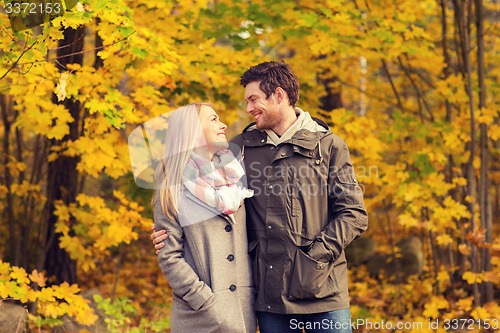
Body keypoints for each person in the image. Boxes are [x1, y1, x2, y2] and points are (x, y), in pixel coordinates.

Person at [152, 62, 368, 332]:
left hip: (324, 292)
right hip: (268, 298)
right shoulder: (238, 150)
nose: (248, 108)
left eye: (253, 99)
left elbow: (354, 214)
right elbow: (197, 186)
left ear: (279, 95)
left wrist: (313, 259)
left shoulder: (328, 145)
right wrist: (166, 229)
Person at [151, 102, 256, 333]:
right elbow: (170, 256)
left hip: (243, 311)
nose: (223, 124)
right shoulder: (171, 188)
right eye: (214, 119)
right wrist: (204, 300)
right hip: (200, 317)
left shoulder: (235, 177)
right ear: (193, 130)